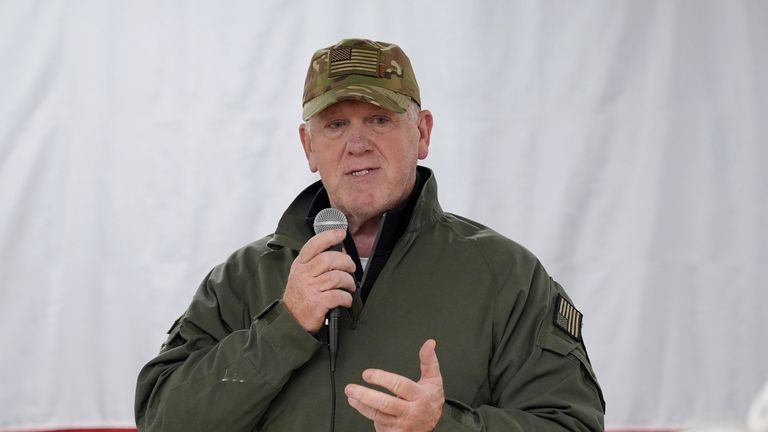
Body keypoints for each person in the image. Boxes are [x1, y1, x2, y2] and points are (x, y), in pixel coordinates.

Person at [135, 38, 605, 432]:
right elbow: (163, 420)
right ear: (309, 146)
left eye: (379, 119)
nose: (357, 144)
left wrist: (441, 427)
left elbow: (571, 424)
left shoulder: (506, 275)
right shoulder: (241, 278)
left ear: (421, 133)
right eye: (336, 125)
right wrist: (284, 328)